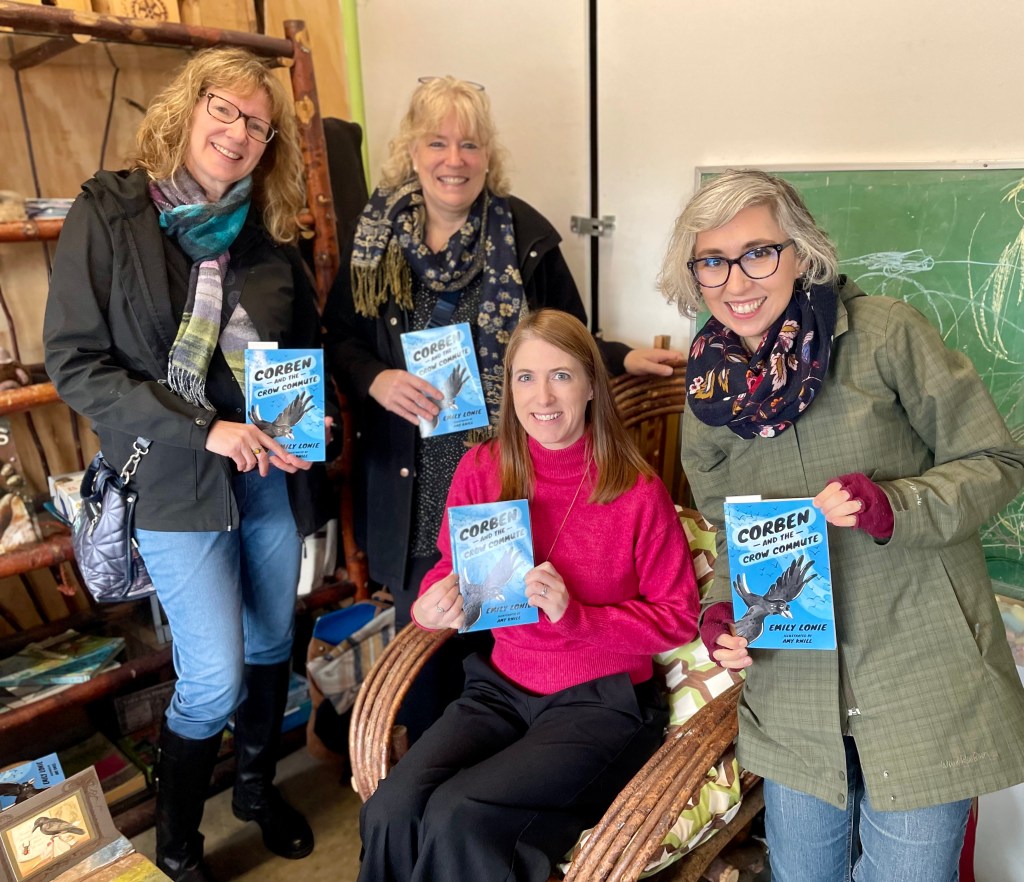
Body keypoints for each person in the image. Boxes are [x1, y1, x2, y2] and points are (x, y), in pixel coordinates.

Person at [659, 168, 1024, 882]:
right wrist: (724, 614)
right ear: (693, 275)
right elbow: (735, 536)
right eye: (712, 261)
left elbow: (998, 460)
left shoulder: (885, 333)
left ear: (801, 252)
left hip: (920, 677)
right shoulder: (706, 395)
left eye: (759, 252)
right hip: (792, 693)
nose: (737, 280)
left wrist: (894, 505)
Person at [44, 48, 330, 881]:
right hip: (172, 478)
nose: (239, 134)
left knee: (275, 637)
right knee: (212, 675)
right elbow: (75, 363)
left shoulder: (270, 235)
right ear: (189, 107)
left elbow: (304, 348)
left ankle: (252, 790)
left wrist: (308, 419)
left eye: (259, 125)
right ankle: (175, 844)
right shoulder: (112, 212)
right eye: (226, 111)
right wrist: (204, 428)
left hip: (270, 475)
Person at [323, 75, 683, 635]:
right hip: (409, 481)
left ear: (488, 156)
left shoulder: (524, 235)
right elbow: (339, 336)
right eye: (438, 142)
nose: (454, 159)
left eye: (470, 144)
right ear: (411, 152)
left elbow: (570, 338)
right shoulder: (376, 236)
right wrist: (376, 379)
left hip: (506, 474)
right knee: (428, 646)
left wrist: (620, 357)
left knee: (513, 638)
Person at [357, 309, 699, 881]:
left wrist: (578, 618)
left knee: (459, 815)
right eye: (525, 376)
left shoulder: (637, 491)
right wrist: (430, 605)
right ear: (509, 386)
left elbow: (678, 619)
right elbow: (450, 567)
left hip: (601, 705)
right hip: (501, 688)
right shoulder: (481, 468)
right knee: (392, 805)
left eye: (562, 375)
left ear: (593, 384)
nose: (542, 395)